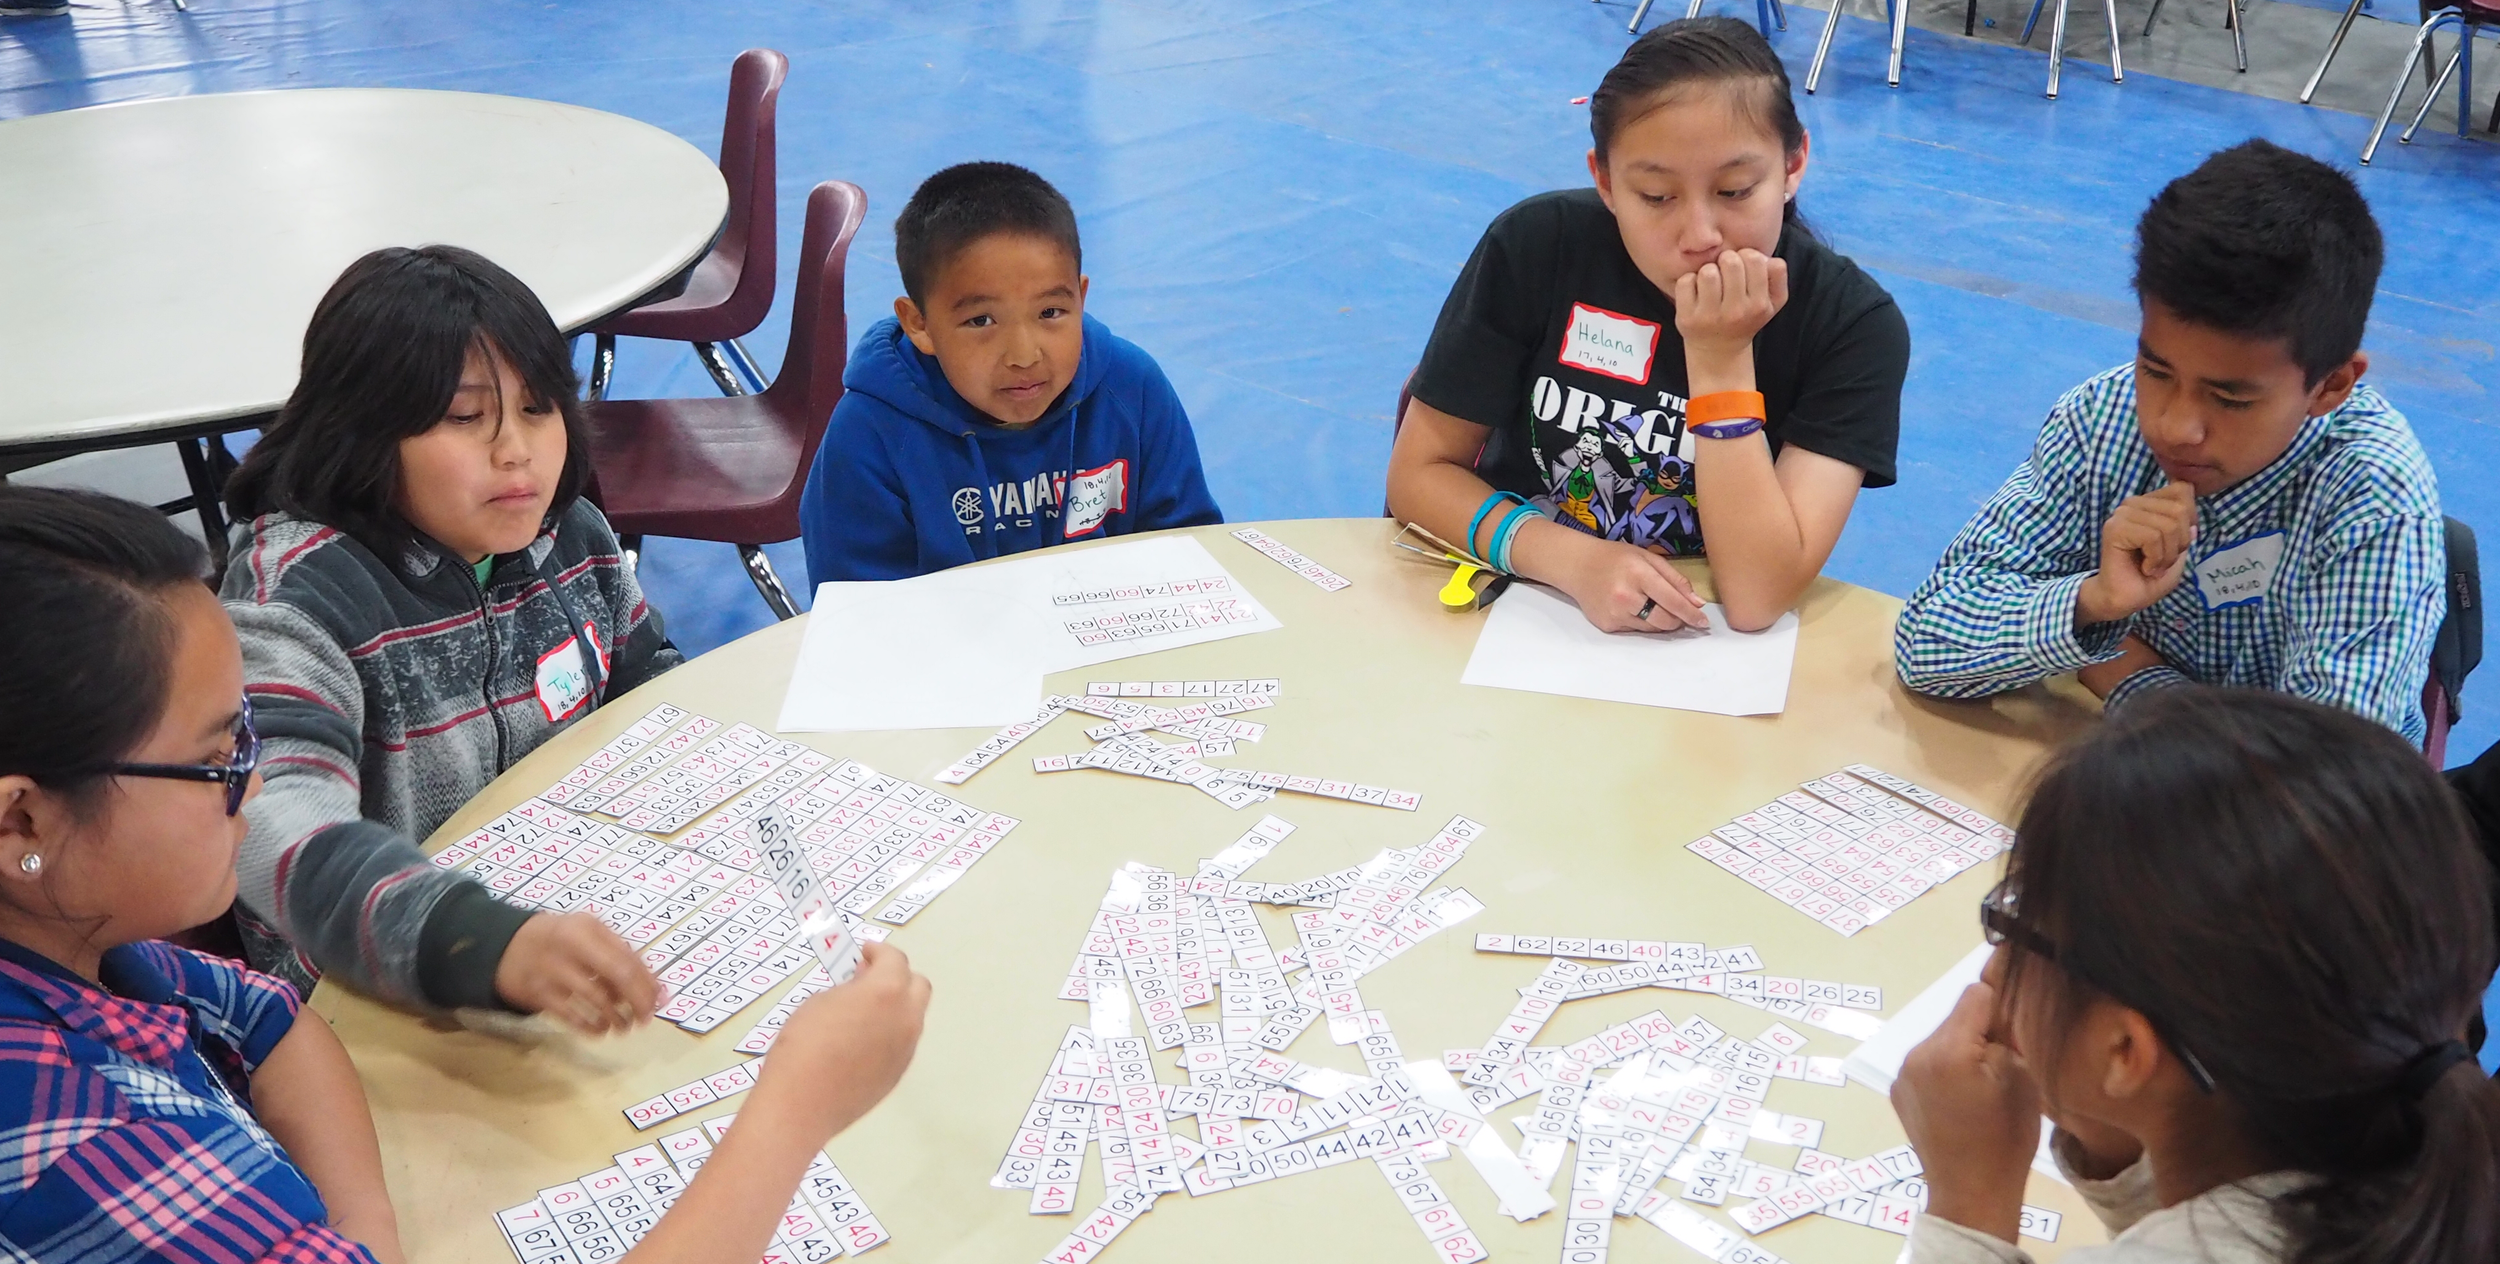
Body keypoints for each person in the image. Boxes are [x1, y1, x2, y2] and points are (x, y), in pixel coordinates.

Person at [0, 485, 933, 1264]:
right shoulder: (73, 1148)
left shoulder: (78, 943)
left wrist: (360, 1237)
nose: (256, 780)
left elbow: (268, 1018)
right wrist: (794, 1110)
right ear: (23, 821)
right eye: (218, 757)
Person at [220, 246, 678, 1028]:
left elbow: (648, 685)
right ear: (362, 431)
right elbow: (270, 819)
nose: (517, 450)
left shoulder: (569, 534)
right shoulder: (298, 598)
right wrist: (474, 941)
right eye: (467, 418)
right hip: (370, 993)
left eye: (539, 408)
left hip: (566, 916)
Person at [1891, 687, 2498, 1263]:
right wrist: (2111, 1132)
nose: (1994, 967)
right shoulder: (2397, 1155)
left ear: (2126, 1048)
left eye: (2019, 925)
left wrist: (1967, 1206)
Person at [1892, 140, 2444, 744]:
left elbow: (2321, 777)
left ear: (2331, 386)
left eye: (2230, 399)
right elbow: (1926, 641)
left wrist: (2130, 677)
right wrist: (2092, 601)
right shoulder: (2102, 418)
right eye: (2156, 371)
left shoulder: (2375, 495)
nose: (2175, 426)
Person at [1386, 17, 1908, 634]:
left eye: (1736, 191)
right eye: (1657, 197)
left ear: (1793, 165)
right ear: (1606, 181)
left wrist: (1720, 361)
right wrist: (1570, 559)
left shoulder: (1851, 325)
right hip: (1521, 602)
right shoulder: (1537, 248)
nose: (1700, 235)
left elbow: (1757, 595)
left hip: (1701, 639)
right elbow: (1418, 475)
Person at [797, 161, 1222, 586]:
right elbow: (857, 609)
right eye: (981, 321)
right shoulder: (869, 436)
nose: (1023, 356)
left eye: (1050, 312)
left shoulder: (1133, 390)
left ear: (1081, 298)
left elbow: (1189, 553)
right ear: (919, 324)